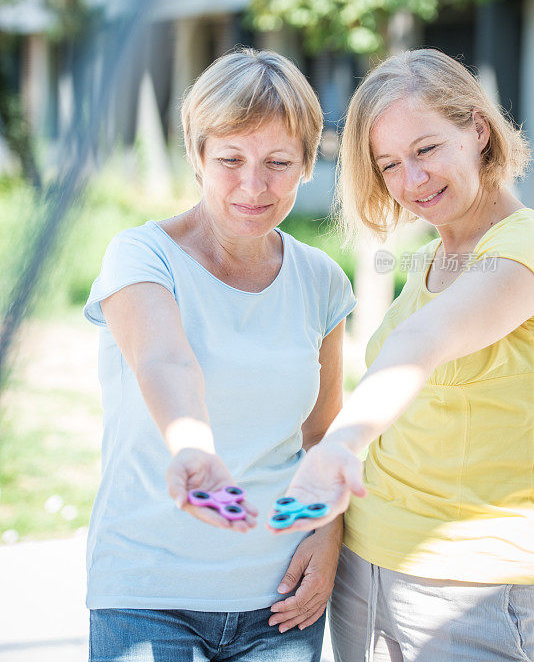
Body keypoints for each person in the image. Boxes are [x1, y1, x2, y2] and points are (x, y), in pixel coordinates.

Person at [83, 48, 356, 662]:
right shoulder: (142, 256)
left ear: (308, 164)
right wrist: (193, 449)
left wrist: (328, 534)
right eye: (230, 159)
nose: (253, 186)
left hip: (278, 604)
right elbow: (164, 361)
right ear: (197, 157)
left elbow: (324, 435)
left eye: (278, 162)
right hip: (147, 596)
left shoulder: (322, 281)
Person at [271, 49, 534, 662]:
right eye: (389, 164)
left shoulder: (519, 251)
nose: (412, 181)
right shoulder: (435, 255)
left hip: (471, 589)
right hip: (368, 568)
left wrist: (340, 444)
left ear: (477, 129)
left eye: (426, 150)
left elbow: (423, 344)